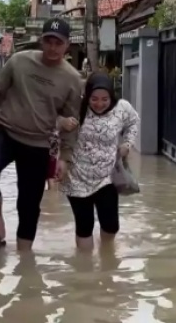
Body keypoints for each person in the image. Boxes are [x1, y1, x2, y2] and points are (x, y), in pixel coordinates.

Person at [0, 18, 82, 252]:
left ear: (67, 45)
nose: (53, 48)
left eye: (59, 43)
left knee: (29, 204)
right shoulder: (19, 62)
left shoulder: (72, 80)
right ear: (41, 41)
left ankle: (25, 260)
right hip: (5, 131)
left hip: (38, 143)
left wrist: (65, 158)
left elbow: (71, 123)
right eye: (49, 41)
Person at [61, 72, 140, 250]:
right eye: (94, 99)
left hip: (107, 177)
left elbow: (134, 122)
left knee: (111, 226)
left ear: (111, 96)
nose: (99, 103)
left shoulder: (122, 108)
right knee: (84, 227)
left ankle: (107, 257)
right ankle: (85, 271)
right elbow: (51, 119)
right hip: (77, 178)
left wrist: (127, 144)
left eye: (104, 99)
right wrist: (62, 123)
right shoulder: (75, 108)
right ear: (87, 95)